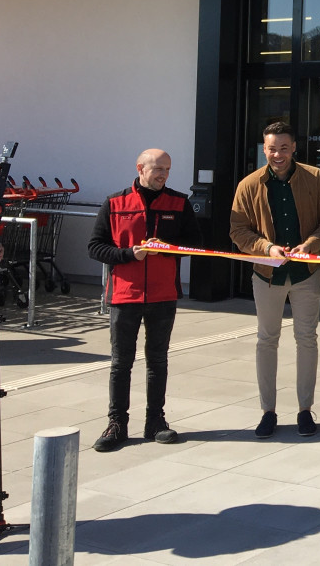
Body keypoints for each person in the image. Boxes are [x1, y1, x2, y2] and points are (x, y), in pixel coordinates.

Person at [230, 121, 320, 439]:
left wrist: (310, 246)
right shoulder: (248, 185)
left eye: (284, 148)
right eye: (272, 148)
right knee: (267, 341)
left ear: (294, 149)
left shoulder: (315, 178)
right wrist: (267, 248)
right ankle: (268, 412)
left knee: (307, 340)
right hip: (267, 275)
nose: (278, 154)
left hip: (306, 274)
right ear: (264, 149)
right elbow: (238, 230)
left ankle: (305, 410)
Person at [87, 149, 197, 452]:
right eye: (157, 169)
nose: (162, 175)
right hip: (124, 294)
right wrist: (128, 254)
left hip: (163, 294)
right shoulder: (114, 203)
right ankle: (117, 423)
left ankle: (155, 421)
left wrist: (169, 247)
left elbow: (195, 244)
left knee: (157, 360)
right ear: (140, 168)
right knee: (121, 362)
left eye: (167, 170)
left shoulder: (178, 202)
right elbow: (95, 247)